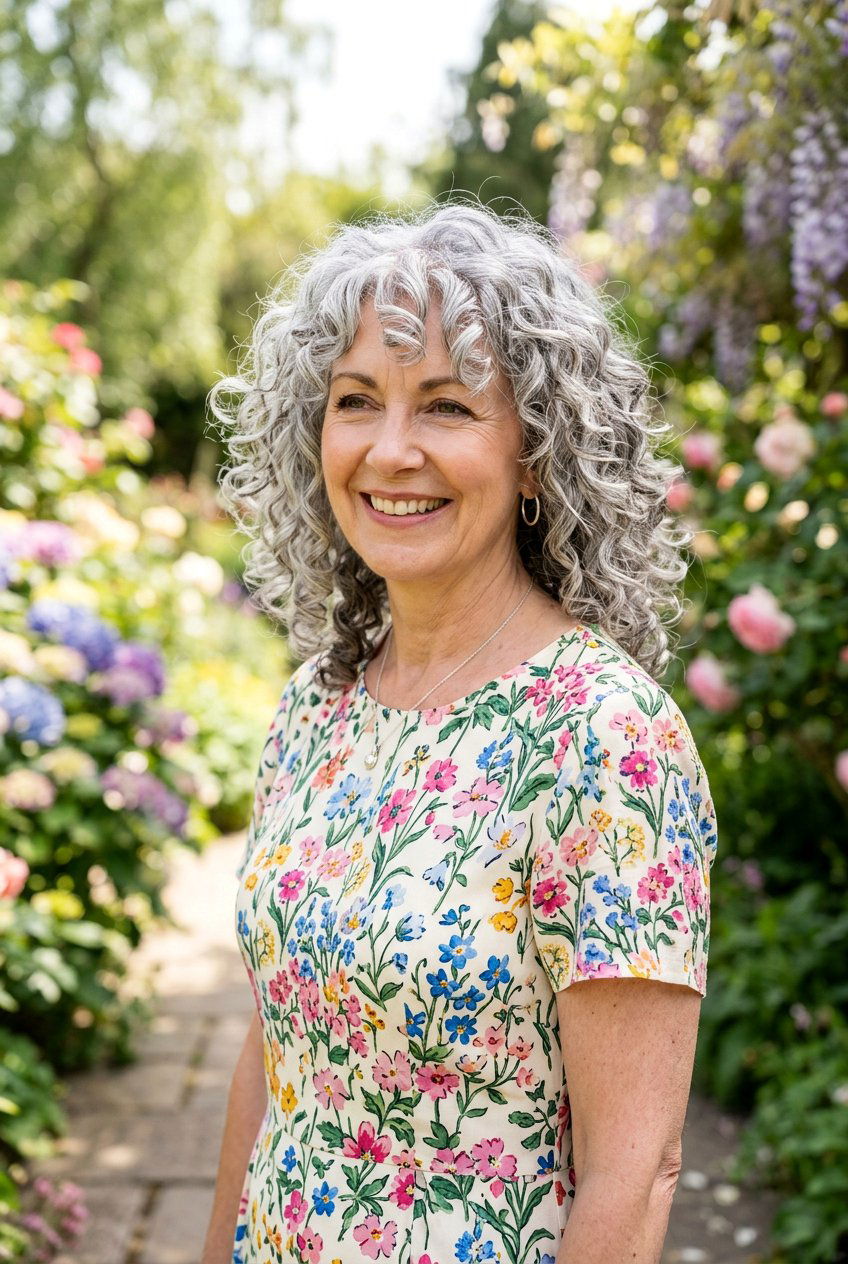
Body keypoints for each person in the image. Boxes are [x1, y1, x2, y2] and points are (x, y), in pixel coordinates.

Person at [202, 200, 718, 1264]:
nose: (390, 451)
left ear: (536, 449)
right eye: (355, 401)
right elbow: (279, 1043)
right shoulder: (320, 703)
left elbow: (637, 1170)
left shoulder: (603, 737)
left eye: (444, 406)